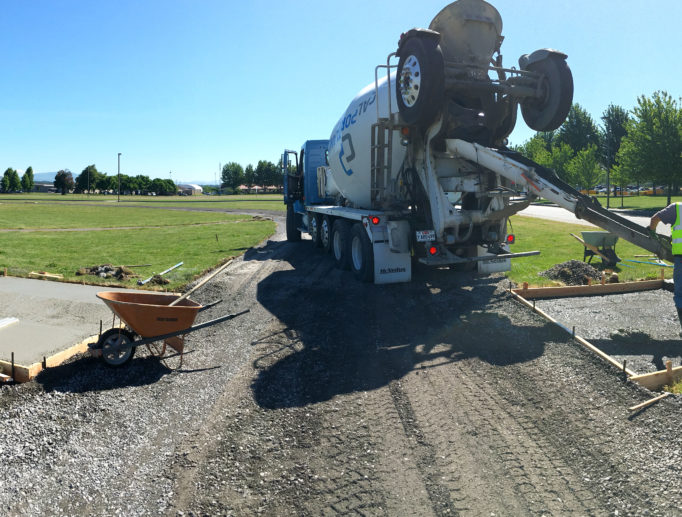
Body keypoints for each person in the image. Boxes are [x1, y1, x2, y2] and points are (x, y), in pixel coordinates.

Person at [649, 203, 682, 333]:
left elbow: (654, 219)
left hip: (681, 258)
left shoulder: (677, 208)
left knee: (680, 294)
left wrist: (652, 231)